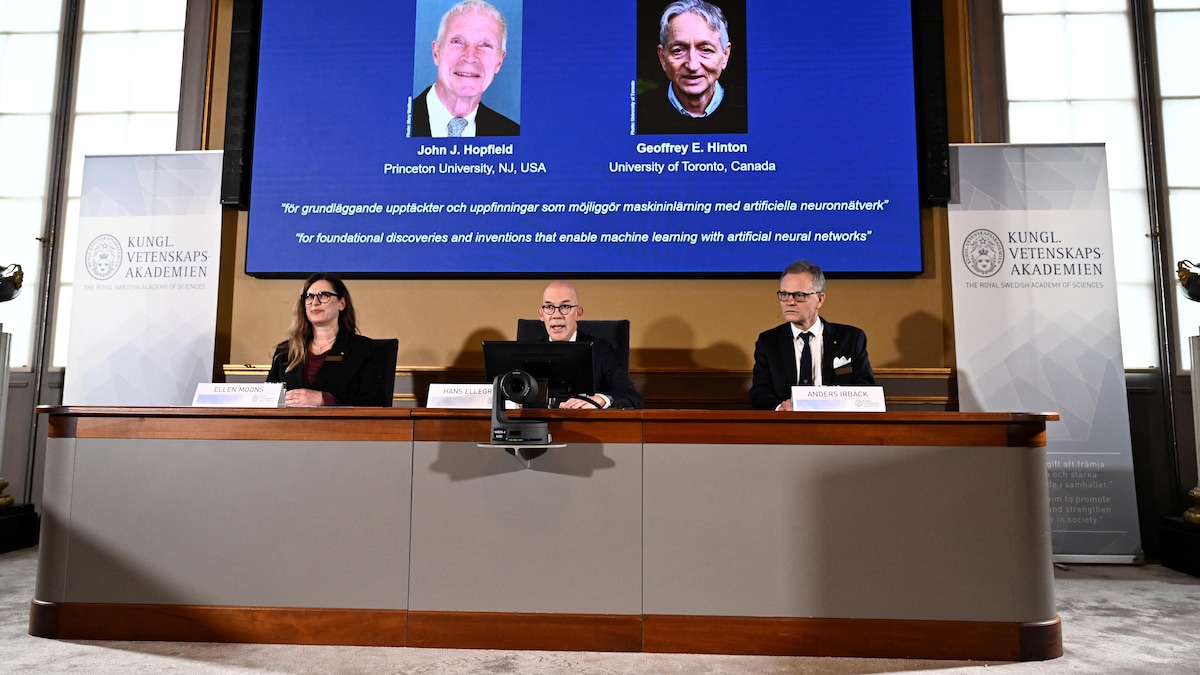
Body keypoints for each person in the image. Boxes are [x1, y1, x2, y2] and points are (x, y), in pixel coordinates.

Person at [749, 260, 875, 410]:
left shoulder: (851, 338)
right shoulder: (768, 342)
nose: (789, 302)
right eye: (784, 294)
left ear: (820, 300)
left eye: (799, 295)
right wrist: (779, 407)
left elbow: (865, 388)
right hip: (787, 425)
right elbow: (759, 392)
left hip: (836, 424)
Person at [267, 273, 394, 407]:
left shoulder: (364, 350)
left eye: (323, 295)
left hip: (343, 427)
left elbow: (376, 402)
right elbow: (267, 399)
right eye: (309, 297)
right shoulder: (285, 351)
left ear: (342, 303)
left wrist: (324, 400)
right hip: (289, 426)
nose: (315, 302)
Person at [636, 0, 747, 135]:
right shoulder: (638, 113)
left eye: (706, 50)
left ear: (725, 55)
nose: (693, 65)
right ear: (662, 57)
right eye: (678, 50)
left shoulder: (751, 109)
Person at [411, 0, 519, 137]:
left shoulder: (511, 133)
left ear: (499, 61)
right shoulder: (395, 122)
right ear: (436, 52)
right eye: (457, 42)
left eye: (485, 45)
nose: (470, 57)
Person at [529, 281, 644, 409]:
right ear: (541, 314)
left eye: (565, 307)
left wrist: (602, 399)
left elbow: (632, 397)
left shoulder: (600, 350)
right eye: (549, 307)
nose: (556, 315)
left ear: (578, 313)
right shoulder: (529, 352)